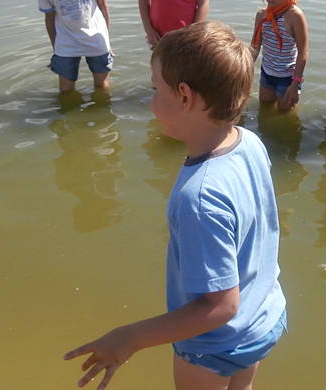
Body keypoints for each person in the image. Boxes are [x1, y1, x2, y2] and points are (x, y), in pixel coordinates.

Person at [64, 21, 286, 390]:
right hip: (262, 319)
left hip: (214, 346)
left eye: (156, 90)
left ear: (184, 96)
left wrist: (129, 338)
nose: (151, 103)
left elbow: (221, 306)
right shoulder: (249, 142)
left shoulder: (199, 197)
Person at [251, 0, 309, 112]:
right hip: (267, 73)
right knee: (264, 107)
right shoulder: (261, 15)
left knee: (284, 113)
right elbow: (255, 47)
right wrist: (244, 69)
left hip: (288, 77)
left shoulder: (294, 16)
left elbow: (303, 52)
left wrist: (295, 83)